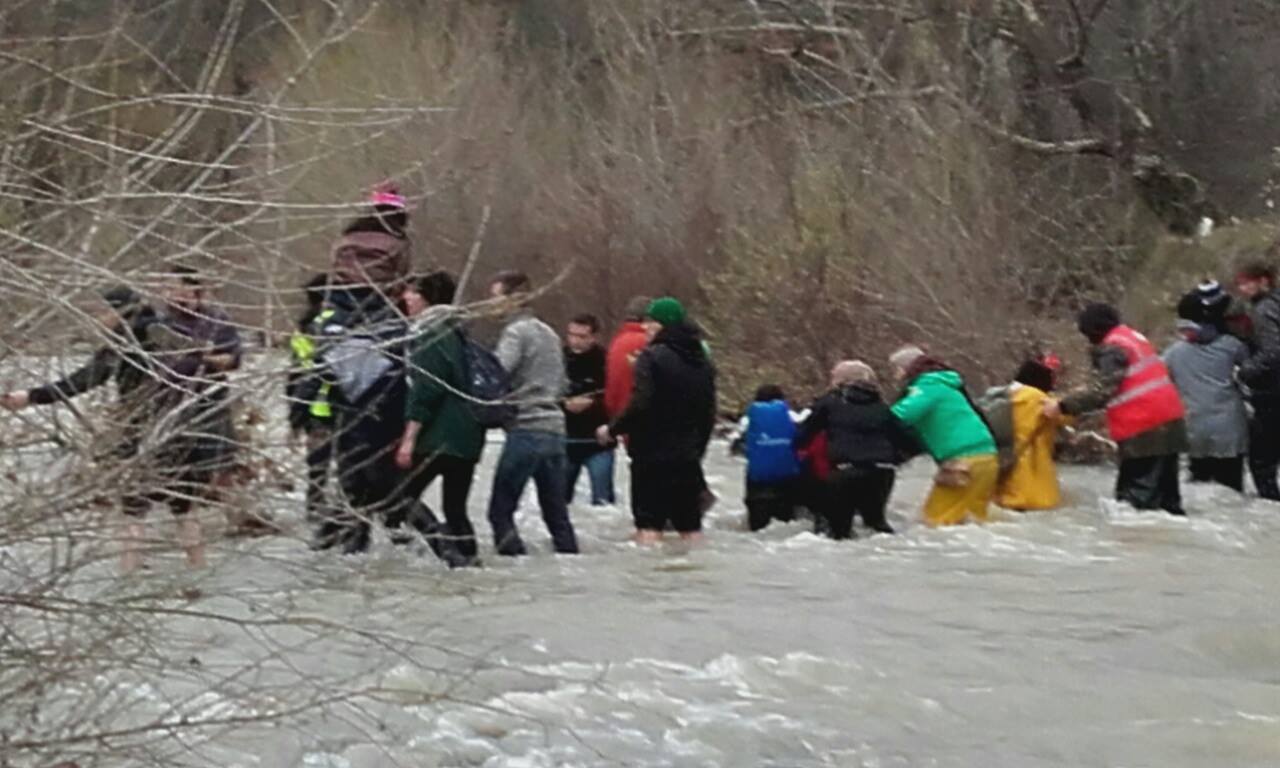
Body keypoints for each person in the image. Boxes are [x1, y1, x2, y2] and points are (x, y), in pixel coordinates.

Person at [301, 184, 460, 561]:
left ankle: (336, 549)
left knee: (357, 482)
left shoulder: (344, 241)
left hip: (345, 375)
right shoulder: (397, 247)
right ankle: (445, 553)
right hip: (377, 380)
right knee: (380, 487)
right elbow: (392, 287)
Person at [0, 285, 199, 573]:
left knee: (133, 511)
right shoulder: (167, 332)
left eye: (103, 310)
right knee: (184, 507)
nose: (97, 317)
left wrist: (32, 396)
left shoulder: (124, 342)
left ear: (121, 311)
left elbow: (85, 380)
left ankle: (128, 579)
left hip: (139, 427)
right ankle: (198, 572)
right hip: (182, 427)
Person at [1045, 304, 1188, 516]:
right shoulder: (1132, 338)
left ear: (1093, 330)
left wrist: (1061, 405)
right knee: (1168, 503)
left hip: (1143, 428)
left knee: (1135, 507)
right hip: (1170, 422)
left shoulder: (1112, 348)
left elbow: (1103, 390)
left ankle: (1140, 547)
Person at [599, 297, 717, 544]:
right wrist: (698, 450)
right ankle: (695, 581)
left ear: (663, 324)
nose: (645, 328)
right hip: (688, 458)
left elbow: (641, 402)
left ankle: (647, 582)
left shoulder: (651, 357)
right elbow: (709, 412)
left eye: (651, 322)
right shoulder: (701, 360)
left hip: (651, 455)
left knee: (649, 526)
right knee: (690, 528)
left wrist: (613, 429)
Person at [485, 271, 579, 556]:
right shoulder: (549, 333)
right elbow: (562, 383)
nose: (492, 305)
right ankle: (569, 562)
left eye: (496, 298)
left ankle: (515, 573)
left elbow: (498, 373)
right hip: (554, 430)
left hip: (525, 429)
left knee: (499, 513)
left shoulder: (516, 333)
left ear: (515, 299)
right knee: (557, 516)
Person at [393, 271, 485, 565]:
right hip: (469, 433)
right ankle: (471, 562)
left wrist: (409, 438)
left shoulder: (428, 332)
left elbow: (426, 390)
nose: (406, 297)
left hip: (439, 435)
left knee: (400, 497)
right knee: (455, 507)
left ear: (428, 297)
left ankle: (445, 552)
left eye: (413, 292)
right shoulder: (457, 329)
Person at [797, 361, 916, 538]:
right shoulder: (882, 407)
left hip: (845, 471)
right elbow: (909, 442)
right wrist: (892, 460)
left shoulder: (829, 402)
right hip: (882, 472)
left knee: (839, 533)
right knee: (876, 525)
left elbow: (803, 436)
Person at [889, 345, 1000, 527]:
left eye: (895, 368)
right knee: (973, 520)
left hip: (963, 461)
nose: (895, 374)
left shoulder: (927, 386)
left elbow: (899, 415)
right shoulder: (947, 385)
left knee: (934, 522)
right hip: (987, 457)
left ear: (905, 368)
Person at [1164, 289, 1250, 492]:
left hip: (1195, 432)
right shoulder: (1232, 346)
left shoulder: (1173, 353)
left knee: (1199, 490)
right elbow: (1252, 374)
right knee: (1232, 492)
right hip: (1230, 433)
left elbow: (1158, 382)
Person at [993, 355, 1072, 511]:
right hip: (1031, 476)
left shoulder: (1002, 395)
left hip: (1002, 466)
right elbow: (1068, 416)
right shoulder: (1038, 399)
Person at [288, 273, 336, 520]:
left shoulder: (302, 329)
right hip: (341, 406)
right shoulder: (340, 323)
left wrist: (293, 416)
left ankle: (315, 515)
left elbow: (295, 375)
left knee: (317, 471)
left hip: (311, 408)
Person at [1235, 257, 1280, 500]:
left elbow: (1273, 352)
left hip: (1271, 393)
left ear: (1263, 281)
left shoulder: (1263, 311)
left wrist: (1245, 371)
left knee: (1261, 460)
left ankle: (1271, 506)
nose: (1242, 289)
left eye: (1246, 283)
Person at [562, 313, 615, 506]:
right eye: (571, 334)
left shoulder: (606, 360)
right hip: (565, 441)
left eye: (581, 336)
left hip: (598, 442)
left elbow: (615, 397)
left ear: (593, 337)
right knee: (558, 502)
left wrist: (593, 403)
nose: (575, 340)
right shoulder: (559, 359)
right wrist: (564, 404)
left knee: (603, 504)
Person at [741, 384, 803, 531]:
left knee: (758, 528)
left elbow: (742, 446)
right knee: (786, 523)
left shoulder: (747, 419)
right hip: (787, 478)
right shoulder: (792, 417)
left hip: (757, 480)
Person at [604, 296, 652, 420]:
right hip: (644, 420)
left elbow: (611, 388)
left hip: (620, 417)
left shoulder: (617, 342)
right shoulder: (650, 343)